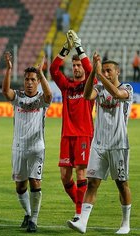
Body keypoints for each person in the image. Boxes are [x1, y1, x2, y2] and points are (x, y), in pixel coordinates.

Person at [68, 53, 133, 234]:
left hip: (119, 144)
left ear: (117, 72)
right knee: (92, 183)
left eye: (109, 70)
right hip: (99, 144)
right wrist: (92, 75)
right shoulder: (100, 88)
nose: (106, 72)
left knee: (121, 183)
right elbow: (87, 95)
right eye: (104, 70)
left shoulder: (127, 88)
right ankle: (83, 222)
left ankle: (125, 223)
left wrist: (99, 74)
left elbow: (116, 93)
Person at [2, 52, 52, 232]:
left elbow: (49, 96)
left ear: (38, 81)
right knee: (20, 186)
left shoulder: (41, 99)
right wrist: (8, 69)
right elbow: (5, 92)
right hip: (18, 147)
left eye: (33, 79)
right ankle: (28, 213)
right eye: (27, 79)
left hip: (37, 147)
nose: (29, 82)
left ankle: (34, 220)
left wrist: (42, 73)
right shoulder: (18, 97)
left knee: (35, 182)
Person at [50, 30, 94, 222]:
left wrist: (79, 46)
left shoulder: (89, 86)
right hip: (66, 135)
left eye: (78, 65)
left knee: (81, 172)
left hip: (83, 134)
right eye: (74, 65)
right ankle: (81, 206)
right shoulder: (66, 86)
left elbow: (91, 70)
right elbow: (53, 70)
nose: (76, 68)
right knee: (65, 178)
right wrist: (65, 49)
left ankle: (79, 214)